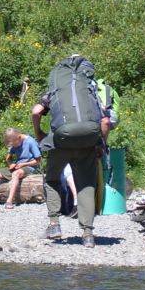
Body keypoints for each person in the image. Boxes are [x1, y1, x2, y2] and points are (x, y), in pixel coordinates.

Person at [32, 55, 106, 245]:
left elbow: (35, 111)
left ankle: (54, 224)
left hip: (62, 140)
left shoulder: (56, 89)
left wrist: (39, 132)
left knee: (53, 178)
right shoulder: (91, 89)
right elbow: (105, 120)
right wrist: (100, 143)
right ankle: (88, 235)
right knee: (86, 185)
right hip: (88, 140)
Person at [0, 127, 41, 209]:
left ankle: (9, 201)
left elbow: (38, 160)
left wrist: (23, 164)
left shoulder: (30, 142)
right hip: (17, 166)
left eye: (14, 144)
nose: (13, 146)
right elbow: (8, 158)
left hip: (30, 166)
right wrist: (11, 164)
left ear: (19, 138)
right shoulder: (14, 141)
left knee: (16, 173)